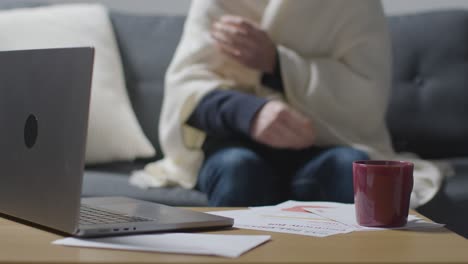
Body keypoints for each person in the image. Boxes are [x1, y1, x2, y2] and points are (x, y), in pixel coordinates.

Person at [131, 0, 443, 208]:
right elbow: (186, 89)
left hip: (325, 145)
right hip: (233, 144)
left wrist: (276, 63)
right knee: (237, 168)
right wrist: (251, 113)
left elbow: (366, 99)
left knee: (350, 166)